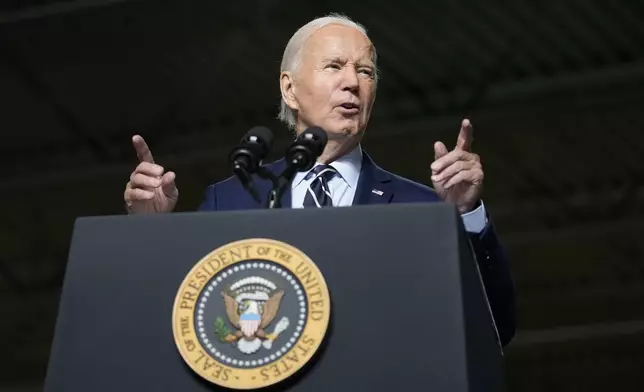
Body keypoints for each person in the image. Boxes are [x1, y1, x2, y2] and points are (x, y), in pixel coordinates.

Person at [123, 14, 516, 346]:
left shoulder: (423, 207)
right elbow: (174, 327)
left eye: (365, 71)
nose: (353, 83)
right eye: (334, 67)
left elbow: (495, 328)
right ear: (289, 89)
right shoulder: (229, 201)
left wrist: (467, 216)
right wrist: (150, 234)